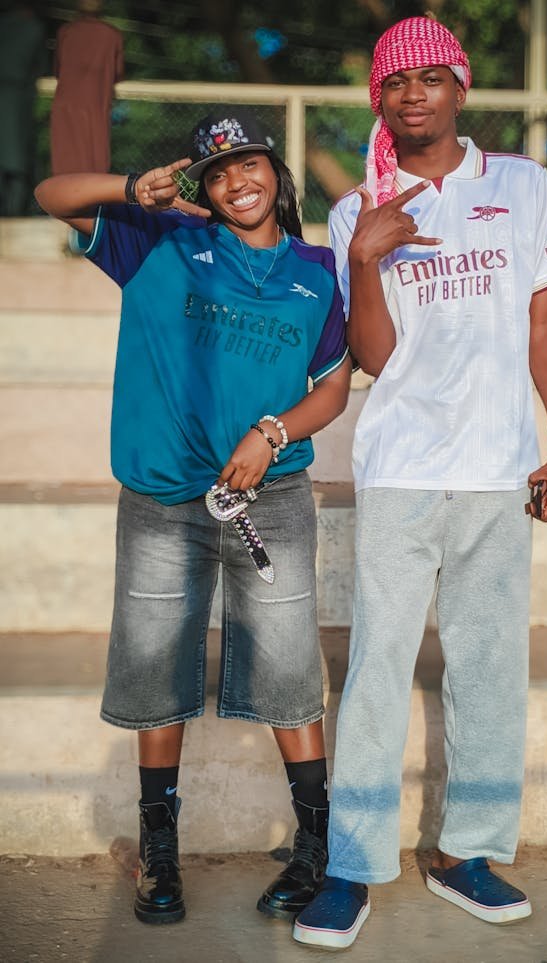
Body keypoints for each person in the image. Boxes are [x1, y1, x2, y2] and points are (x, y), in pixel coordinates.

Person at [293, 16, 547, 949]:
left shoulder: (521, 185)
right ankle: (352, 865)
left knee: (492, 663)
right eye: (395, 82)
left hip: (499, 469)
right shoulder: (356, 210)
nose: (412, 93)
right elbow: (374, 356)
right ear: (380, 99)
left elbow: (542, 323)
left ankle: (469, 852)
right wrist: (369, 257)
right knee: (377, 663)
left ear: (460, 88)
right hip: (403, 470)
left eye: (430, 76)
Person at [35, 105, 351, 926]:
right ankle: (159, 853)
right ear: (201, 188)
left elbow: (331, 387)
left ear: (277, 176)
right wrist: (126, 188)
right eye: (216, 171)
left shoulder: (316, 270)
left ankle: (315, 848)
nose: (236, 180)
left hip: (271, 498)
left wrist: (272, 429)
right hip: (162, 501)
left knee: (288, 671)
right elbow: (50, 192)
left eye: (250, 164)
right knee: (153, 671)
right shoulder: (159, 242)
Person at [50, 0, 123, 176]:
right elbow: (118, 73)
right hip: (96, 106)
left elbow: (57, 70)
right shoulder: (112, 35)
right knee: (95, 164)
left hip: (66, 106)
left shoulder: (66, 32)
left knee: (65, 165)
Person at [0, 2, 46, 216]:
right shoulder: (33, 29)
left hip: (14, 101)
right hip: (18, 102)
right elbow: (41, 67)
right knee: (17, 161)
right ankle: (14, 212)